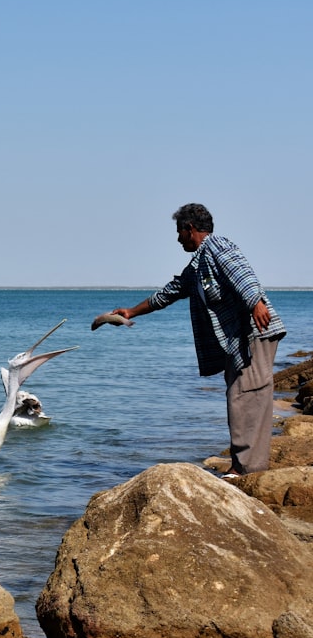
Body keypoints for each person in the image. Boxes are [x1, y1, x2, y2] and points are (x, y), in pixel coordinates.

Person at [112, 203, 285, 476]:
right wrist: (132, 311)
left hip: (254, 331)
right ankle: (247, 464)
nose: (177, 238)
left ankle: (246, 469)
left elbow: (241, 273)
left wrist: (255, 302)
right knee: (245, 397)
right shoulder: (198, 264)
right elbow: (170, 292)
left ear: (190, 229)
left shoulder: (217, 246)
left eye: (178, 232)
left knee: (245, 398)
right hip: (241, 338)